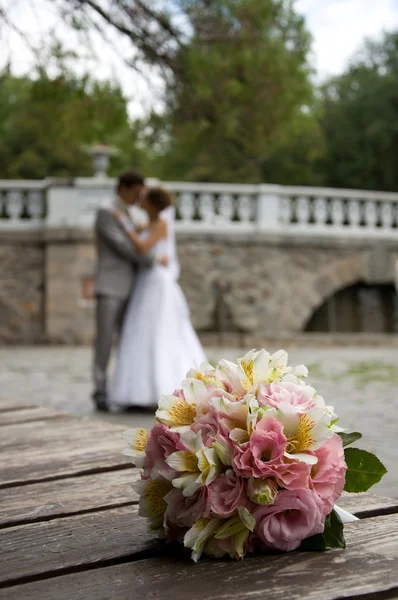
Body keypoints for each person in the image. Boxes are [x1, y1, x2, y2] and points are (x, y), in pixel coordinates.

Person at [111, 187, 207, 409]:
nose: (141, 203)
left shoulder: (162, 224)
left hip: (157, 281)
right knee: (141, 329)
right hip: (147, 279)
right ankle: (137, 391)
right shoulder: (149, 224)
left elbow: (143, 246)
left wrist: (124, 226)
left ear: (153, 204)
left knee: (159, 330)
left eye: (145, 200)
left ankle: (162, 388)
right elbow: (141, 234)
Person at [92, 170, 165, 412]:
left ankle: (126, 390)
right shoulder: (106, 210)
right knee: (104, 339)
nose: (139, 197)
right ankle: (100, 390)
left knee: (130, 340)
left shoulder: (132, 214)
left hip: (135, 287)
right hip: (110, 285)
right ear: (124, 187)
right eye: (136, 192)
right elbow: (122, 246)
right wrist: (154, 260)